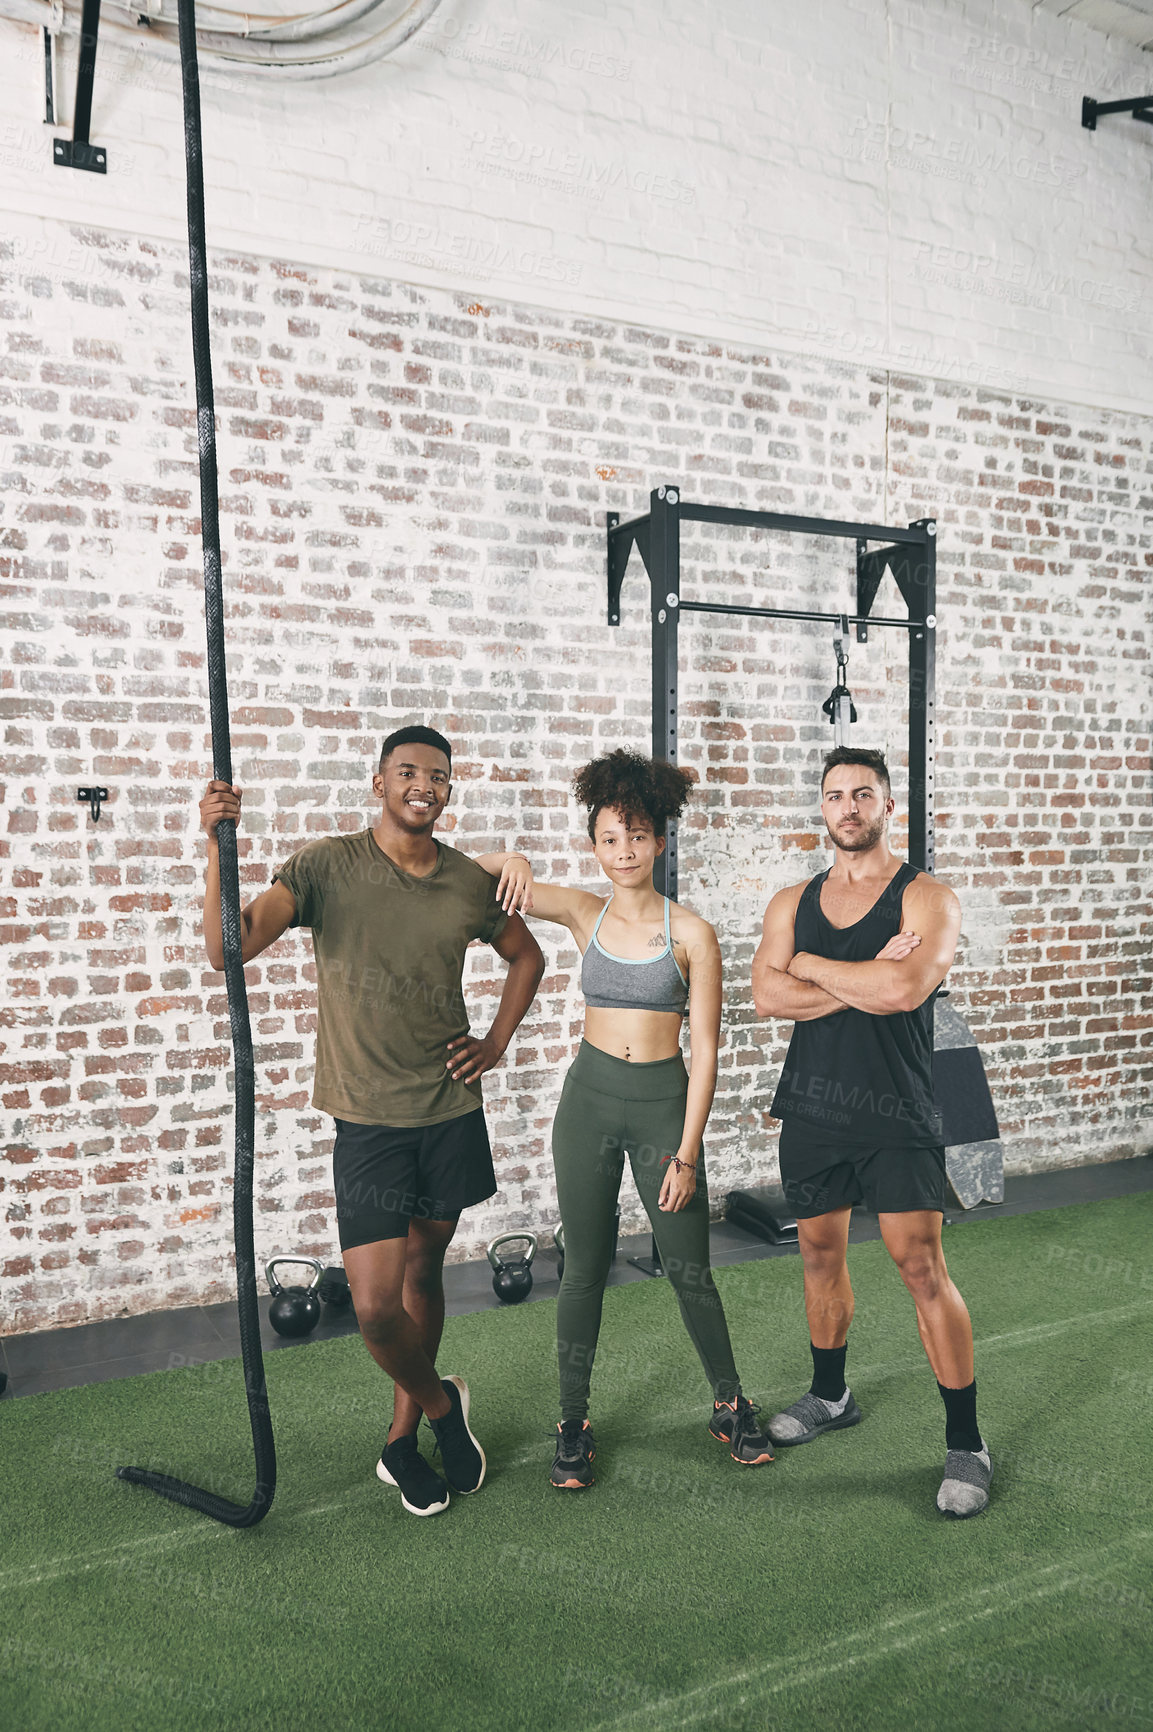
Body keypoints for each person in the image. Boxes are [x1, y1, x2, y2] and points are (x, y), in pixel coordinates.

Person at [199, 725, 544, 1517]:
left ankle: (398, 1445)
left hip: (448, 1112)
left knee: (426, 1271)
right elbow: (229, 948)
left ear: (449, 790)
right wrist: (216, 849)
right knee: (376, 1307)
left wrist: (493, 1043)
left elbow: (528, 957)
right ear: (379, 783)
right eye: (407, 772)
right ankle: (440, 1406)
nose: (423, 784)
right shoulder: (327, 865)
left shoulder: (466, 881)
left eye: (438, 776)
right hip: (368, 1122)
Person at [477, 748, 774, 1490]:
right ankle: (572, 1421)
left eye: (636, 837)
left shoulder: (692, 933)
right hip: (587, 1104)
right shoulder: (583, 911)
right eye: (609, 838)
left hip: (662, 1108)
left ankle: (728, 1402)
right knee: (582, 1270)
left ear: (660, 841)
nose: (623, 852)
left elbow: (704, 1052)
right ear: (593, 844)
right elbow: (463, 873)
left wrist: (686, 1152)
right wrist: (508, 854)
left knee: (689, 1270)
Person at [751, 745, 990, 1517]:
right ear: (820, 809)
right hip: (814, 1110)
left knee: (919, 1267)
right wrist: (851, 975)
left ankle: (965, 1445)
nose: (846, 808)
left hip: (897, 1109)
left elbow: (903, 987)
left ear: (889, 806)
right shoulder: (792, 900)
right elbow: (765, 994)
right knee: (818, 1254)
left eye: (862, 794)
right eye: (833, 796)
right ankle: (830, 1395)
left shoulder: (928, 898)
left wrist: (809, 968)